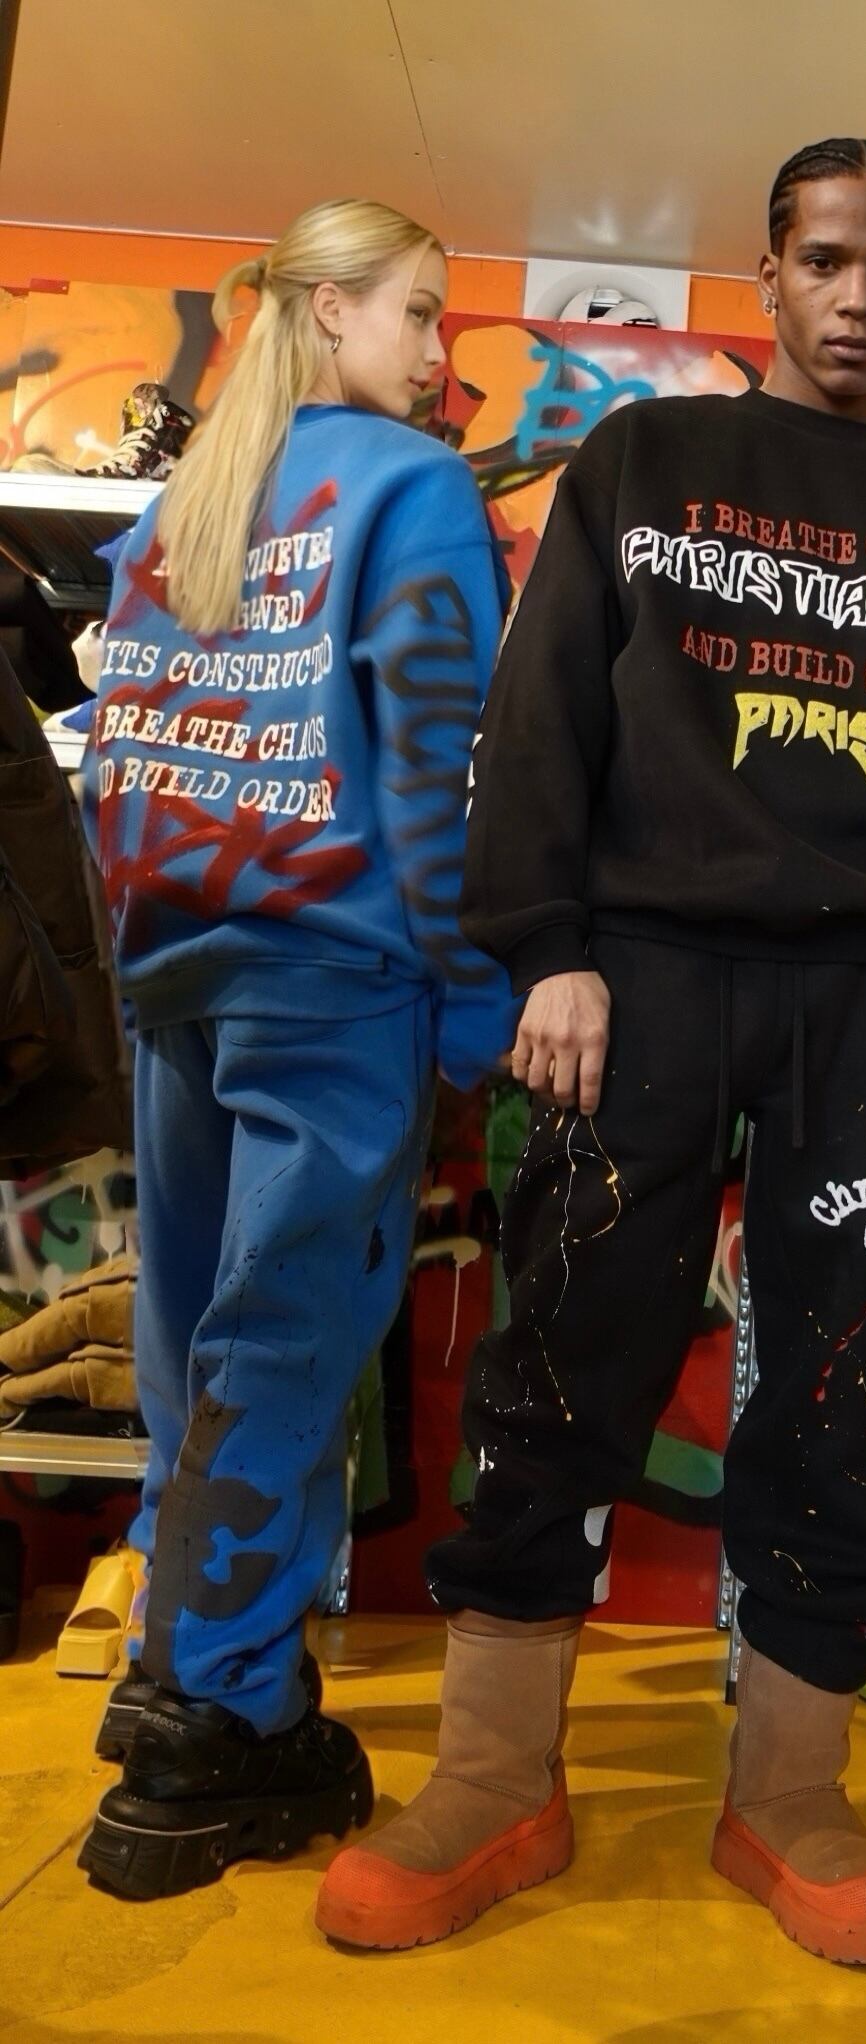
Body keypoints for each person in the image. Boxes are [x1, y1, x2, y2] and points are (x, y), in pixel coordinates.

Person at [317, 139, 866, 1965]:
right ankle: (494, 1780)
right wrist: (548, 951)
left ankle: (789, 1796)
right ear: (770, 273)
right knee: (563, 1361)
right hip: (640, 978)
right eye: (826, 261)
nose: (858, 297)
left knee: (836, 1395)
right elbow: (536, 714)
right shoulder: (642, 463)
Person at [78, 199, 517, 1902]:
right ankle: (210, 1721)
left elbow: (121, 765)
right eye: (421, 312)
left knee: (189, 1332)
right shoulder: (409, 490)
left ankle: (182, 1668)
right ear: (327, 311)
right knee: (283, 1346)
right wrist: (469, 1000)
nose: (439, 354)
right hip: (334, 984)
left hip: (179, 974)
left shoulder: (183, 502)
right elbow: (434, 773)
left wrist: (146, 965)